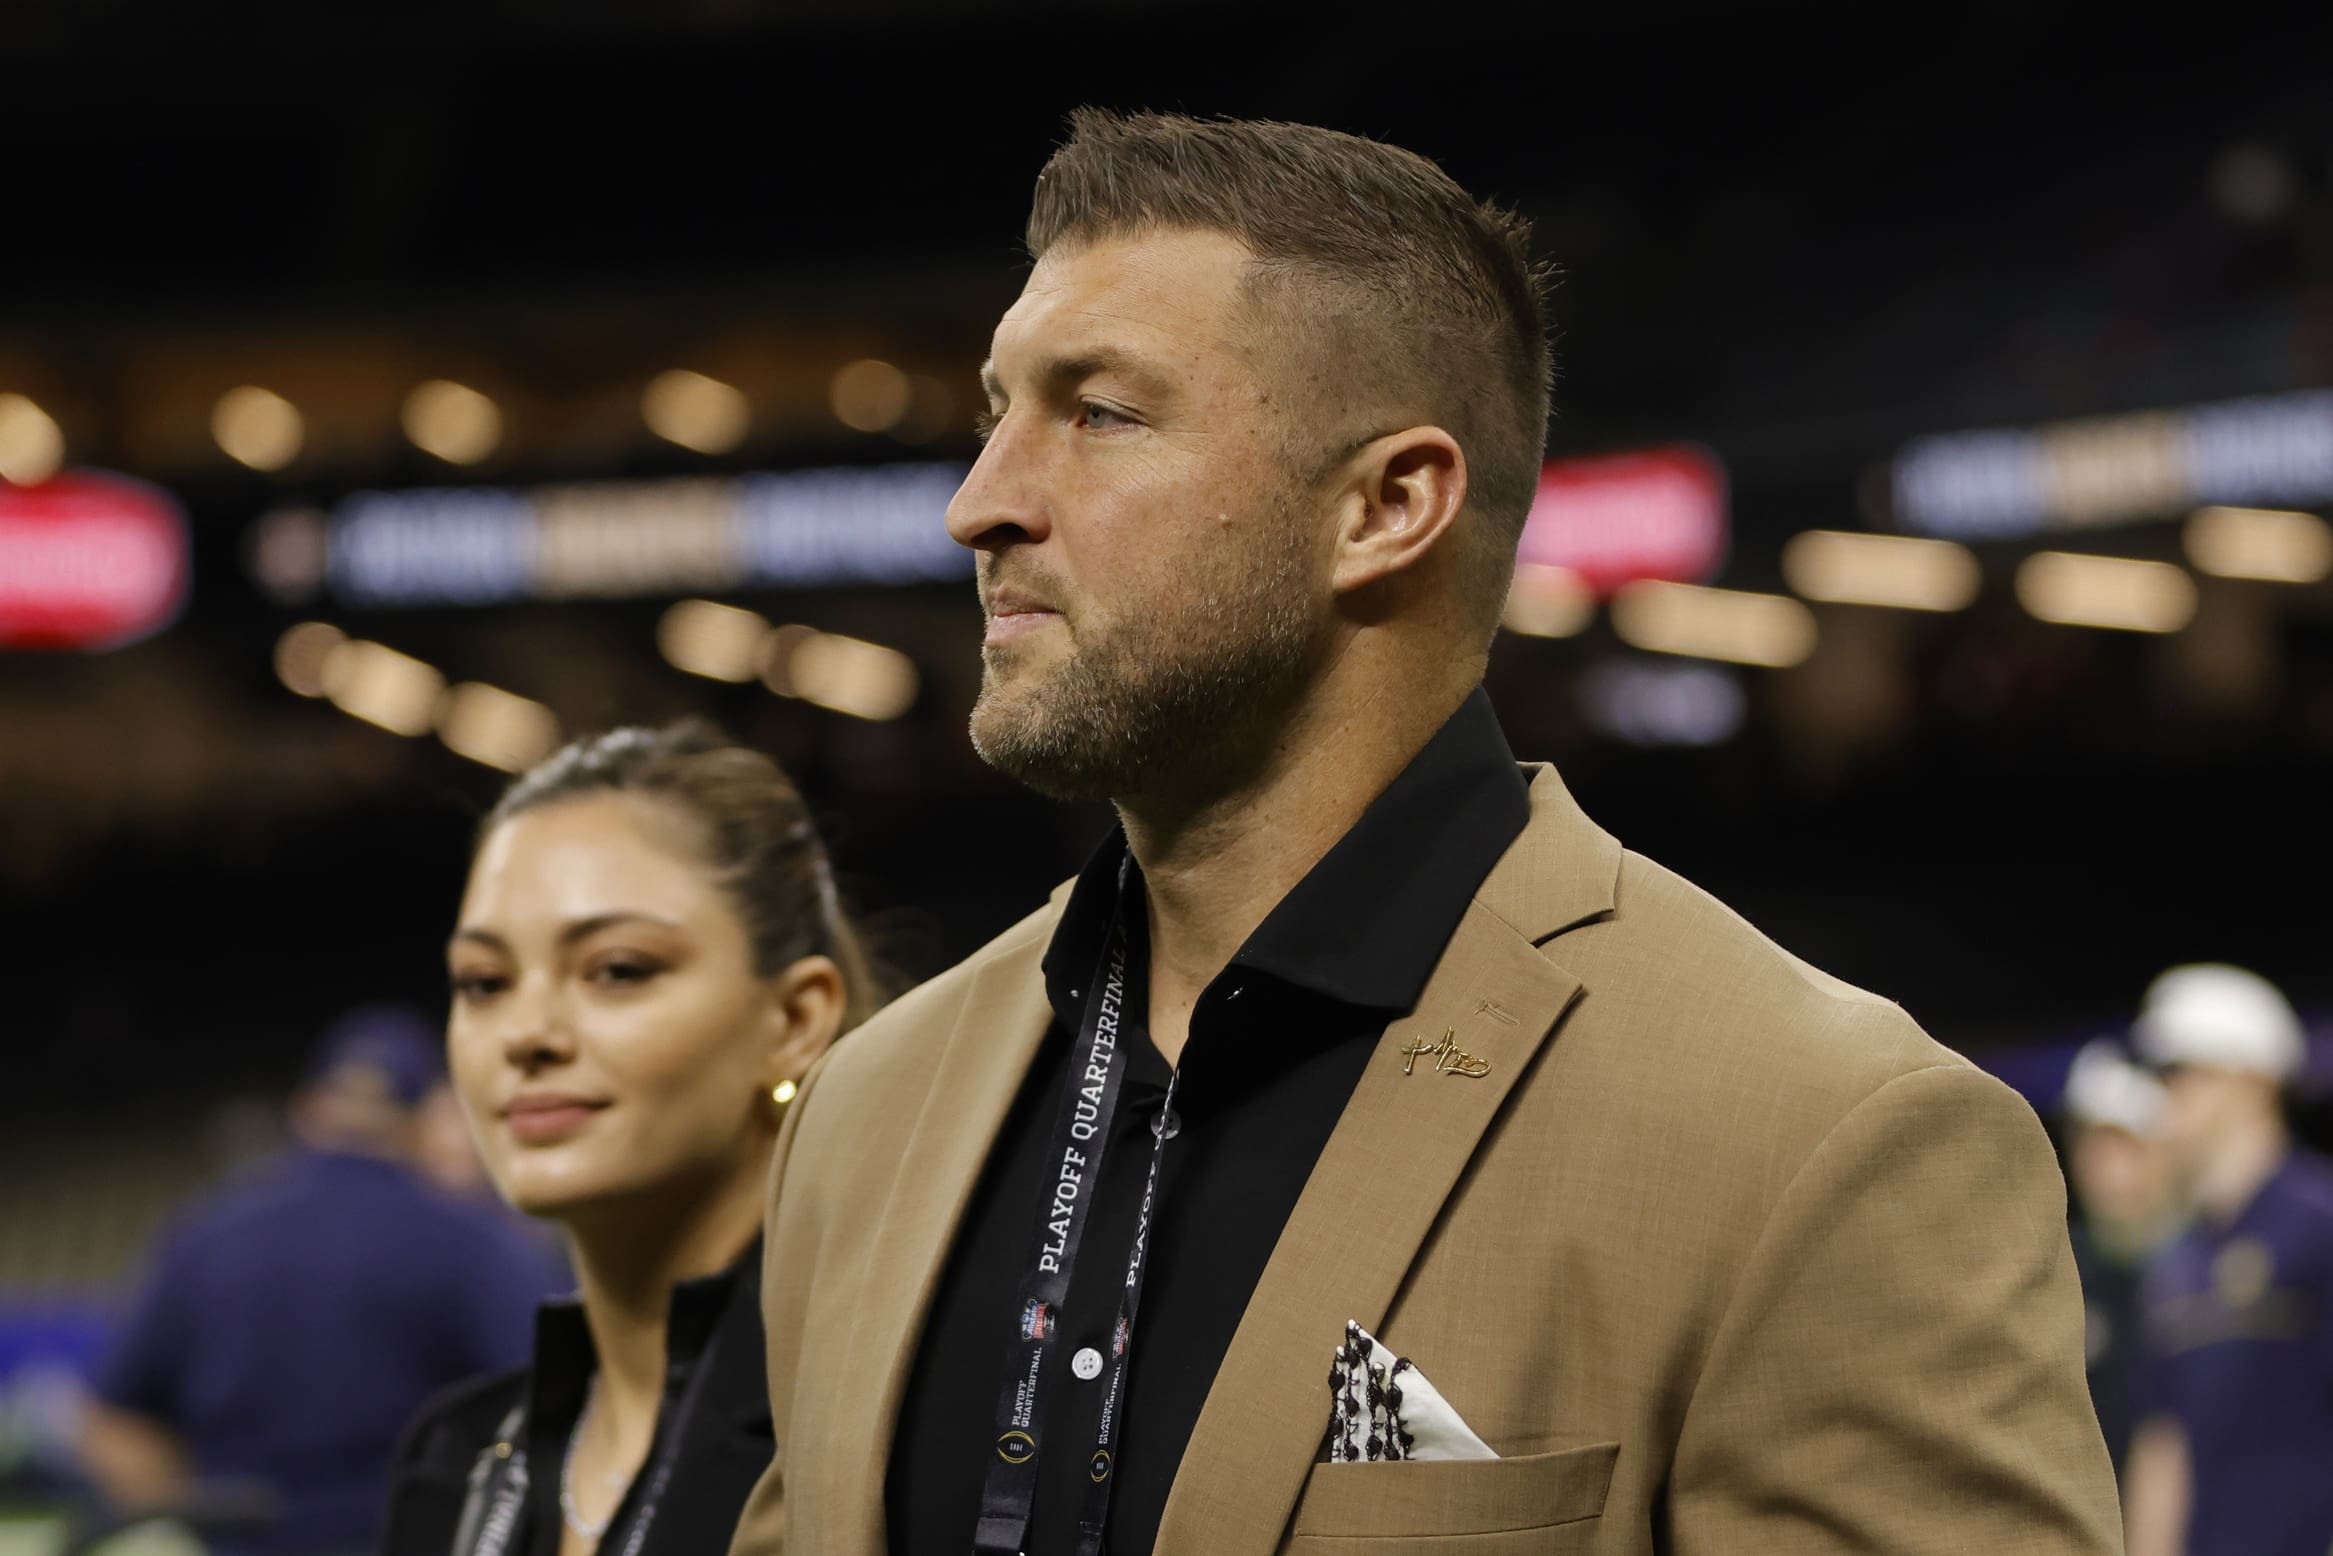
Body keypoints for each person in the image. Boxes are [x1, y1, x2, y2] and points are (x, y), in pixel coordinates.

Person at [730, 109, 2119, 1555]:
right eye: (995, 412)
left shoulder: (1823, 1139)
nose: (980, 503)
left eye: (1099, 414)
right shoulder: (864, 1112)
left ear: (1388, 506)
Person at [383, 723, 878, 1556]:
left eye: (617, 969)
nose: (526, 1034)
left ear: (793, 1020)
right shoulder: (454, 1461)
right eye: (484, 982)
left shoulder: (890, 1422)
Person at [81, 1005, 560, 1556]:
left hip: (245, 1538)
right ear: (429, 1117)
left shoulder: (204, 1231)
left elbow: (111, 1420)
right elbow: (557, 1411)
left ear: (308, 1109)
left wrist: (199, 1519)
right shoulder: (477, 1241)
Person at [2122, 963, 2333, 1556]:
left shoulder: (2320, 1222)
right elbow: (2163, 1444)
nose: (2165, 1094)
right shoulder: (2174, 1257)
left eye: (2183, 1072)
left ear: (2252, 1079)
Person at [2058, 1039, 2181, 1475]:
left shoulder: (2218, 1270)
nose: (2107, 1167)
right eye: (2092, 1144)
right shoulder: (2056, 1271)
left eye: (2127, 1145)